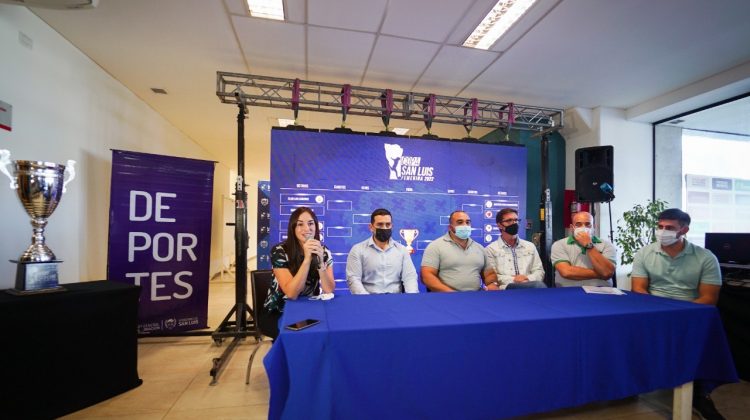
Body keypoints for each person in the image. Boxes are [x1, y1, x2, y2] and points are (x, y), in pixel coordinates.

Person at [630, 208, 724, 420]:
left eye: (670, 228)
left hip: (691, 312)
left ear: (684, 230)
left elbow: (709, 298)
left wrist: (679, 315)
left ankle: (700, 396)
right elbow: (639, 289)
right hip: (654, 311)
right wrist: (659, 313)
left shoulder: (705, 258)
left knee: (698, 341)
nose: (663, 232)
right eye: (660, 227)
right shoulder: (645, 253)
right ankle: (631, 385)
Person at [262, 207, 335, 339]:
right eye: (300, 224)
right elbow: (291, 294)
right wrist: (307, 259)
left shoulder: (324, 251)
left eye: (311, 223)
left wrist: (320, 263)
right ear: (293, 228)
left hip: (310, 308)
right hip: (280, 310)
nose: (307, 229)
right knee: (303, 335)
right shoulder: (279, 251)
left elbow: (329, 289)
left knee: (330, 328)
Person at [346, 208, 419, 294]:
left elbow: (410, 277)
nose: (384, 228)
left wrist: (411, 298)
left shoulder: (402, 250)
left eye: (388, 224)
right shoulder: (358, 250)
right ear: (371, 227)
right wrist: (366, 300)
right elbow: (353, 279)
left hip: (396, 300)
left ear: (392, 226)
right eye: (380, 225)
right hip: (369, 300)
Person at [421, 210, 495, 291]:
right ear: (450, 227)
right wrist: (451, 293)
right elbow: (427, 275)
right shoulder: (435, 246)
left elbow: (489, 274)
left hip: (476, 297)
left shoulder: (480, 248)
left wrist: (492, 284)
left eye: (468, 222)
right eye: (460, 222)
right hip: (447, 299)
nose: (465, 225)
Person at [484, 208, 545, 290]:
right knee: (539, 286)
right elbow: (492, 277)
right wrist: (514, 279)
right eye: (509, 220)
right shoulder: (491, 249)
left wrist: (527, 279)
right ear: (499, 225)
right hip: (507, 289)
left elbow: (539, 271)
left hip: (531, 287)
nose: (514, 223)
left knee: (538, 286)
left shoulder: (530, 246)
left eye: (516, 220)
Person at [551, 211, 616, 287]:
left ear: (593, 227)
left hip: (601, 291)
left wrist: (588, 245)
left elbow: (607, 272)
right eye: (578, 224)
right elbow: (566, 272)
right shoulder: (559, 245)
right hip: (569, 292)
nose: (583, 228)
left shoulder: (607, 245)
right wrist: (600, 274)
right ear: (572, 228)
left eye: (588, 224)